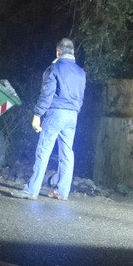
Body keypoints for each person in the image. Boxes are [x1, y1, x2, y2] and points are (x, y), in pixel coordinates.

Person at [14, 37, 86, 201]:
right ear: (73, 52)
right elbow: (81, 98)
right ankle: (62, 192)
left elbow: (47, 94)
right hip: (72, 115)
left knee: (43, 150)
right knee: (67, 153)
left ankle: (32, 190)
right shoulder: (81, 72)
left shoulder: (54, 69)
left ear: (58, 52)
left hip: (56, 113)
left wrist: (37, 115)